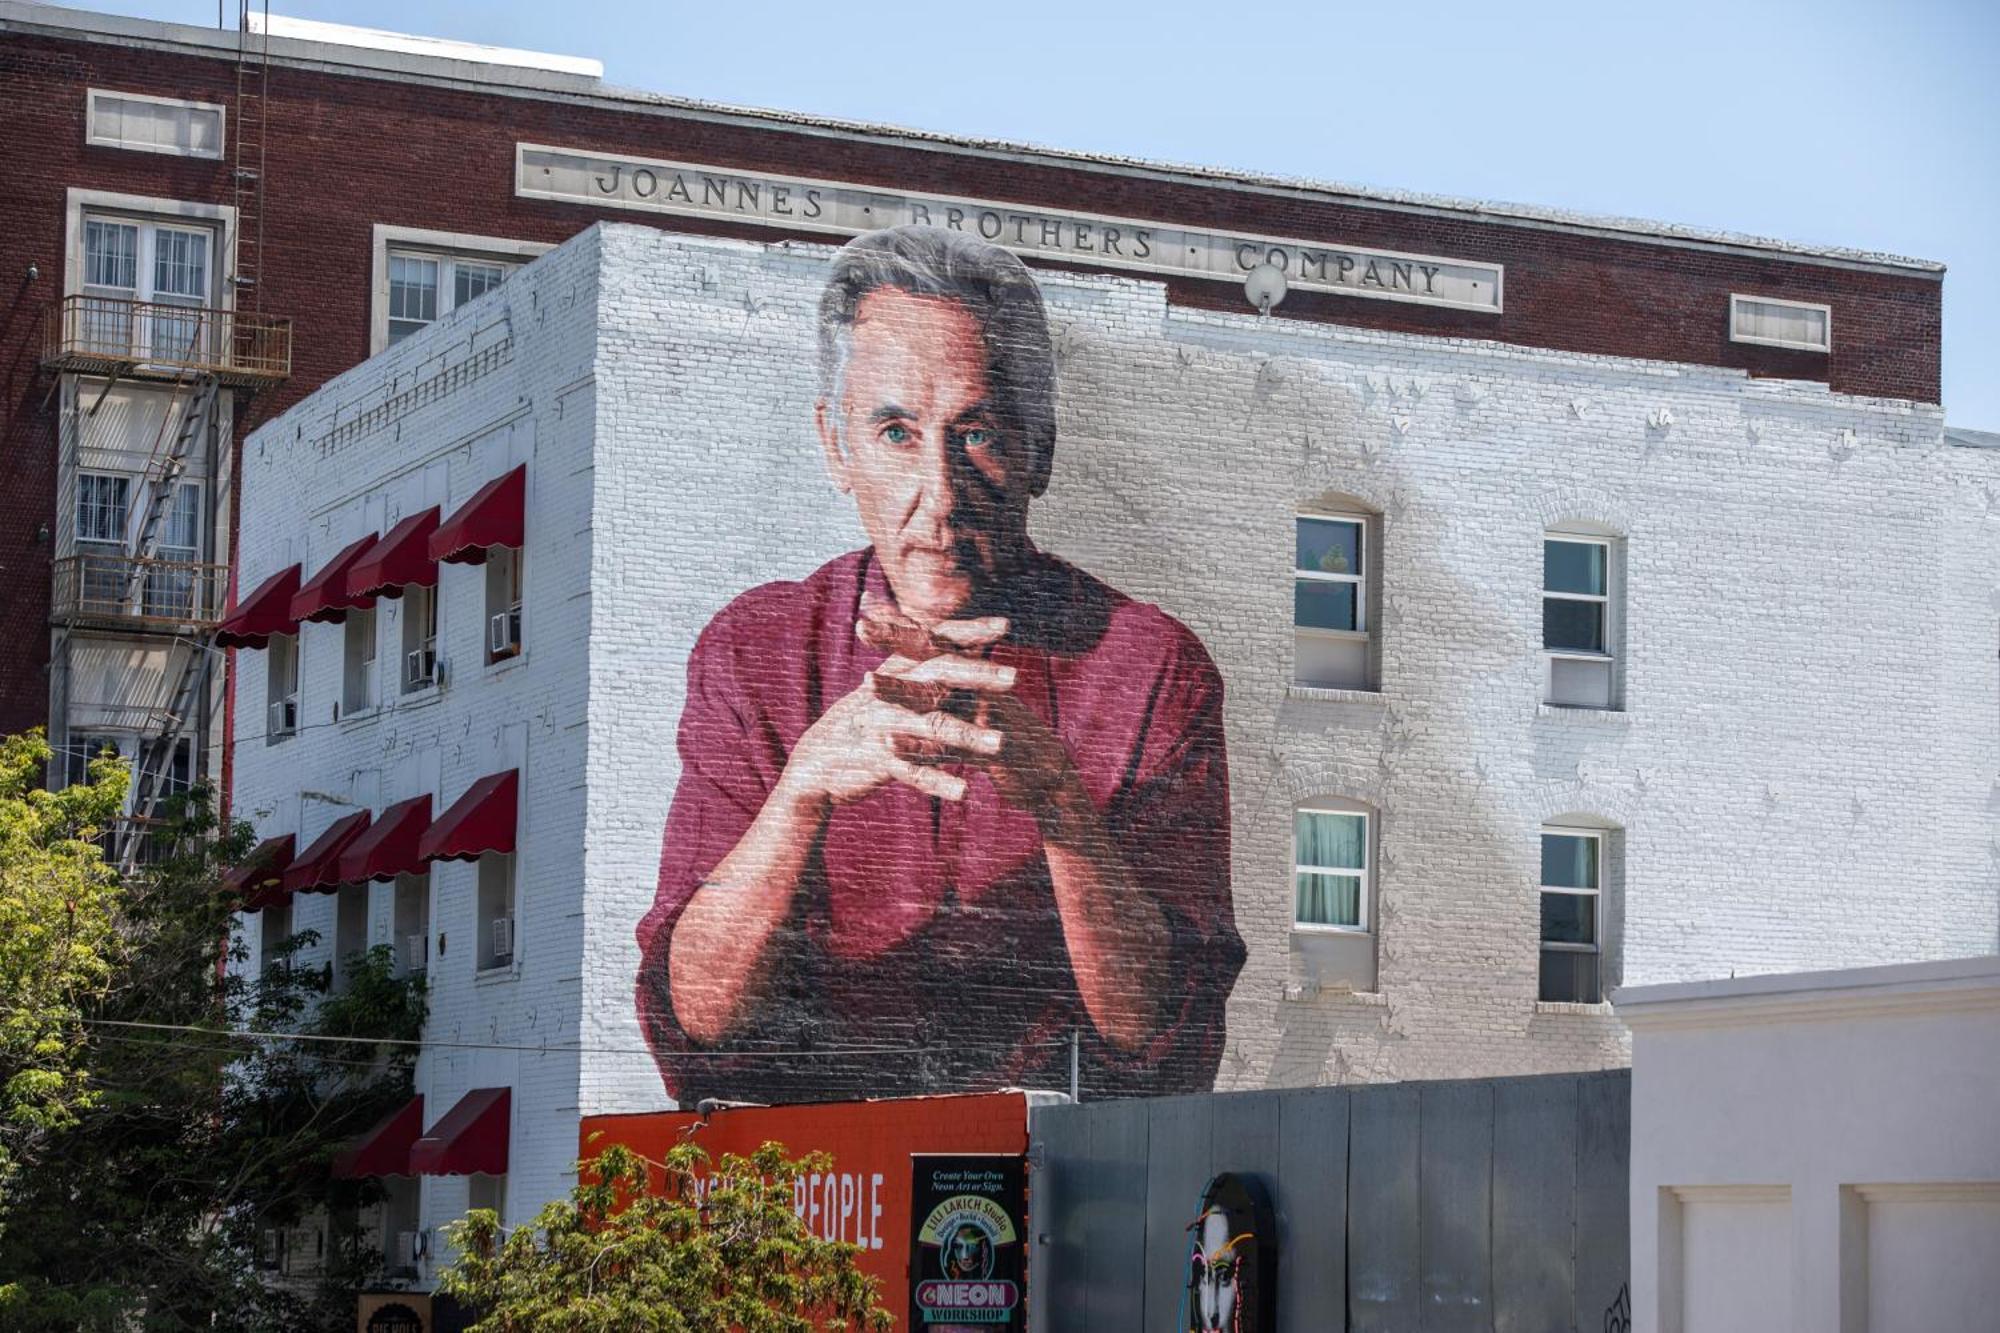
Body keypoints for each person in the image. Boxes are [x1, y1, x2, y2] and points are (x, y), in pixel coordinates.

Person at [635, 225, 1244, 1104]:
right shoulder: (754, 651)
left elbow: (1163, 1038)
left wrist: (1064, 807)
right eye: (895, 431)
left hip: (1067, 1187)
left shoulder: (1150, 668)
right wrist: (800, 792)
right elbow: (697, 1019)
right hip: (813, 1191)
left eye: (979, 433)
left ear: (1040, 450)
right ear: (836, 446)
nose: (942, 493)